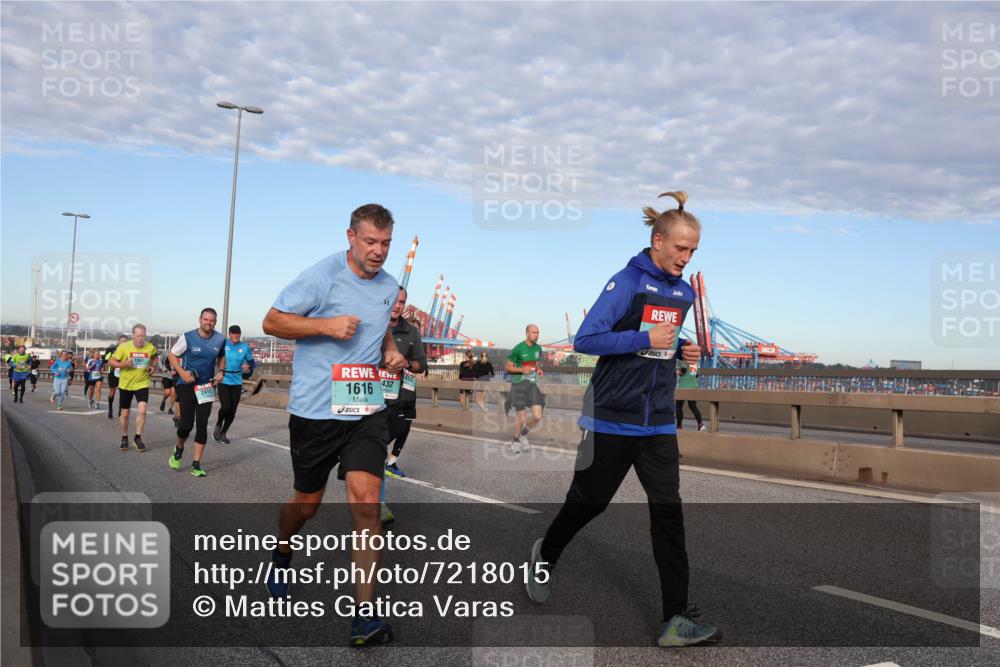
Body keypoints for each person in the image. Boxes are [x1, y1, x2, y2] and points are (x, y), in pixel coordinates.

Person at [525, 191, 720, 647]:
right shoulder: (626, 282)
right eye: (680, 248)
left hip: (658, 422)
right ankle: (545, 553)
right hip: (611, 419)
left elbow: (661, 342)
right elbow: (587, 340)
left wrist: (683, 349)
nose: (686, 258)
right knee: (589, 503)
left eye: (693, 251)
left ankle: (675, 619)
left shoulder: (684, 292)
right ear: (658, 241)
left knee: (668, 514)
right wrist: (644, 338)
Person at [261, 203, 405, 647]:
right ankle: (282, 550)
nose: (378, 251)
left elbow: (380, 329)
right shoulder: (322, 276)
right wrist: (325, 325)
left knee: (367, 503)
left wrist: (390, 349)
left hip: (365, 409)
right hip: (315, 412)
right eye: (370, 241)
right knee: (306, 506)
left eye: (385, 243)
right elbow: (272, 321)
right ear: (351, 237)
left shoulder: (390, 286)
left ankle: (364, 616)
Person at [167, 308, 226, 477]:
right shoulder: (188, 337)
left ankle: (196, 464)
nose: (208, 323)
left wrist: (221, 371)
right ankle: (179, 449)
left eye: (212, 320)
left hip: (206, 387)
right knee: (186, 425)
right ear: (200, 319)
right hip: (186, 385)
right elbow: (171, 355)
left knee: (202, 425)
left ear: (215, 322)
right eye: (205, 319)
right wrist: (182, 373)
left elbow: (221, 357)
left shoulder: (220, 339)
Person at [109, 324, 158, 452]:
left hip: (142, 383)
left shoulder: (150, 347)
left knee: (142, 411)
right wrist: (124, 364)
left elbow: (154, 357)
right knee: (125, 414)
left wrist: (153, 366)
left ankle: (138, 438)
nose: (140, 339)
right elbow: (111, 362)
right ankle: (124, 437)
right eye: (138, 336)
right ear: (133, 335)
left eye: (143, 336)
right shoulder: (123, 347)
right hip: (126, 384)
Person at [505, 324, 545, 453]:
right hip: (518, 384)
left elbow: (535, 363)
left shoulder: (538, 348)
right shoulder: (518, 348)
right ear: (527, 333)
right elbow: (508, 367)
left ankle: (523, 434)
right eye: (533, 332)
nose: (536, 335)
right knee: (521, 418)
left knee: (537, 416)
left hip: (531, 384)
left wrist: (538, 370)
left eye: (537, 332)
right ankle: (515, 440)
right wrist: (522, 369)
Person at [213, 324, 255, 444]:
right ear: (229, 334)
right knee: (226, 407)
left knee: (233, 410)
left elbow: (252, 363)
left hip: (237, 381)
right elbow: (213, 357)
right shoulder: (223, 344)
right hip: (224, 379)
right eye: (233, 333)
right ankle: (218, 424)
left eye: (238, 333)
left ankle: (224, 433)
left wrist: (249, 366)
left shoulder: (244, 347)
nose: (236, 335)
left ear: (240, 334)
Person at [675, 363, 705, 431]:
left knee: (679, 407)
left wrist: (678, 372)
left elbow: (682, 371)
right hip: (693, 387)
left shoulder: (683, 362)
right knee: (693, 407)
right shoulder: (695, 363)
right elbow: (696, 375)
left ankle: (679, 426)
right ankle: (700, 424)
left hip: (683, 387)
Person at [104, 334, 128, 419]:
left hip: (124, 373)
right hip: (113, 373)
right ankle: (110, 409)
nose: (123, 343)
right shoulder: (111, 350)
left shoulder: (129, 351)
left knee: (123, 393)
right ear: (118, 341)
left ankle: (120, 410)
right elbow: (106, 361)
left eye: (125, 342)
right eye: (122, 341)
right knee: (112, 392)